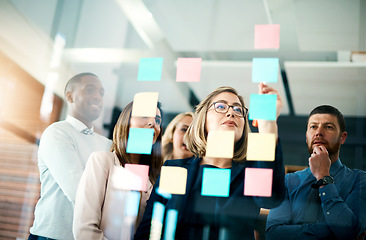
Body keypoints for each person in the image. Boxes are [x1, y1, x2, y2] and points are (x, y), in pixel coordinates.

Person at [135, 84, 285, 240]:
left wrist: (268, 125)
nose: (231, 112)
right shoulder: (175, 169)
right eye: (221, 106)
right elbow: (148, 229)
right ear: (203, 119)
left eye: (238, 109)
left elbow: (270, 198)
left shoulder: (249, 174)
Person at [29, 73, 112, 240]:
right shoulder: (58, 132)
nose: (97, 97)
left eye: (101, 93)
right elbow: (78, 191)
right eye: (90, 90)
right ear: (70, 96)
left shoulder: (107, 144)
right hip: (51, 237)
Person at [266, 105, 366, 240]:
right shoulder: (289, 181)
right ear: (307, 137)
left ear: (342, 137)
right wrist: (331, 232)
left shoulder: (359, 180)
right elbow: (273, 234)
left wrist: (323, 176)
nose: (319, 132)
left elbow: (349, 232)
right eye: (313, 127)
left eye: (328, 127)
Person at [73, 101, 164, 240]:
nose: (153, 123)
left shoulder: (153, 178)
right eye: (145, 116)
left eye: (157, 120)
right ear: (126, 122)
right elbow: (84, 230)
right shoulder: (102, 161)